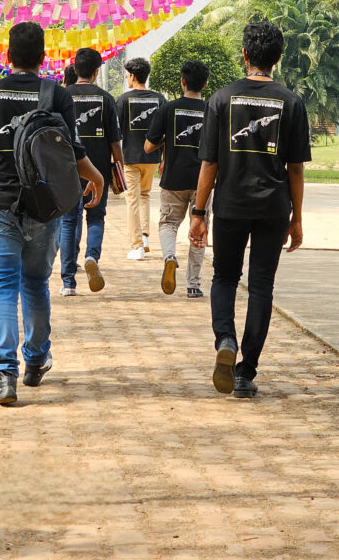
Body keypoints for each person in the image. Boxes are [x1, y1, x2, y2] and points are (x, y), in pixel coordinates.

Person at [0, 21, 104, 406]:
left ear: (7, 56)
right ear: (43, 57)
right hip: (43, 203)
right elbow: (74, 152)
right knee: (36, 283)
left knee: (2, 285)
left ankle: (5, 376)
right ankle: (36, 360)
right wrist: (97, 178)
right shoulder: (56, 93)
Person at [189, 21, 311, 399]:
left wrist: (198, 213)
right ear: (278, 58)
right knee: (261, 286)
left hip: (230, 205)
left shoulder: (221, 99)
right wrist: (297, 218)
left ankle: (225, 340)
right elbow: (295, 168)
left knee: (225, 277)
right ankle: (245, 373)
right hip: (274, 208)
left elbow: (209, 164)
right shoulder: (291, 102)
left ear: (244, 54)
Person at [58, 47, 124, 296]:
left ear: (74, 69)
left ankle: (68, 282)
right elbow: (115, 143)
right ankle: (91, 257)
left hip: (67, 169)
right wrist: (118, 173)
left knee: (68, 221)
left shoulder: (61, 96)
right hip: (98, 171)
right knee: (96, 217)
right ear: (97, 72)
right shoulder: (106, 99)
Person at [144, 59, 209, 299]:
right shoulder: (211, 110)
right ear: (205, 84)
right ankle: (193, 285)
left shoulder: (168, 109)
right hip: (202, 180)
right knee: (198, 230)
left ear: (182, 81)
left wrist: (167, 139)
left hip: (173, 178)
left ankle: (170, 256)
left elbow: (148, 147)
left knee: (168, 223)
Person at [115, 57, 165, 261]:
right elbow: (165, 131)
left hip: (130, 157)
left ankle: (136, 246)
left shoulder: (123, 100)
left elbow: (116, 131)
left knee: (133, 199)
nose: (127, 78)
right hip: (152, 157)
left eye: (127, 75)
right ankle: (144, 237)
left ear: (133, 76)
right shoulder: (159, 99)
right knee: (144, 195)